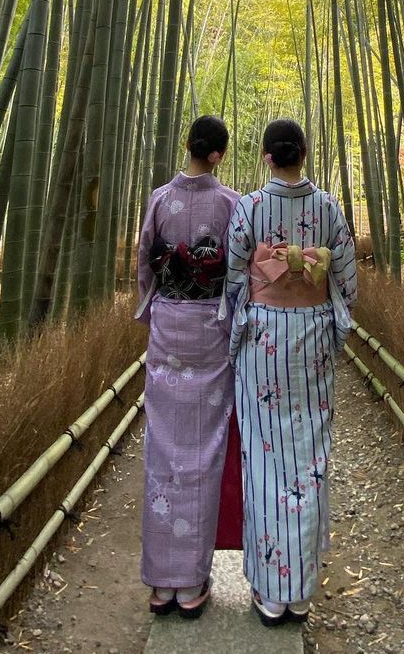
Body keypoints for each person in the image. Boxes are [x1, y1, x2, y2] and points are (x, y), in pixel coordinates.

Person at [225, 117, 358, 627]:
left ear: (266, 156)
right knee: (308, 455)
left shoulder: (251, 207)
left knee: (263, 458)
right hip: (313, 339)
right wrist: (318, 296)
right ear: (304, 152)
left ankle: (270, 591)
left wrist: (255, 301)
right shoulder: (328, 207)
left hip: (264, 340)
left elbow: (235, 278)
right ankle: (299, 592)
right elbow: (346, 278)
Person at [136, 115, 240, 619]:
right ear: (218, 154)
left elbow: (143, 263)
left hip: (168, 326)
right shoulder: (232, 204)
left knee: (164, 447)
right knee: (205, 451)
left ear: (189, 147)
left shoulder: (159, 198)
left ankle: (162, 584)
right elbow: (237, 274)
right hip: (213, 329)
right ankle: (193, 580)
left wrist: (150, 309)